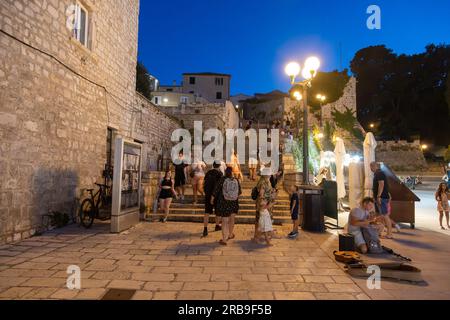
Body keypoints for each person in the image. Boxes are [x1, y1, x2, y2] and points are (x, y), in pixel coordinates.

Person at [211, 167, 242, 245]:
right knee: (232, 219)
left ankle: (224, 239)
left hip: (224, 202)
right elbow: (239, 192)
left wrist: (212, 199)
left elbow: (216, 190)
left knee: (224, 221)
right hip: (233, 203)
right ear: (232, 172)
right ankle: (230, 234)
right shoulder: (236, 180)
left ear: (225, 172)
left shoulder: (222, 179)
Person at [370, 162, 393, 239]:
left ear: (374, 166)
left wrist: (379, 196)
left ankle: (389, 234)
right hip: (381, 197)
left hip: (382, 198)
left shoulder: (379, 173)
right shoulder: (378, 173)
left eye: (371, 167)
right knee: (381, 216)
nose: (370, 169)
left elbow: (381, 184)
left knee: (385, 216)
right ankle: (379, 232)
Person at [252, 169, 276, 243]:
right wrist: (262, 201)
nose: (270, 174)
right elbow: (261, 193)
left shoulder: (267, 181)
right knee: (260, 220)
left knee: (263, 220)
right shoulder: (263, 182)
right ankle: (256, 236)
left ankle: (264, 235)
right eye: (269, 173)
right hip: (263, 204)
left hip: (267, 203)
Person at [202, 160, 223, 237]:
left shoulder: (208, 173)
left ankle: (205, 229)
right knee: (218, 212)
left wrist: (206, 193)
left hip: (208, 195)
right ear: (219, 166)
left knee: (207, 212)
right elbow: (219, 186)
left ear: (213, 165)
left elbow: (204, 183)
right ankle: (217, 225)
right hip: (216, 196)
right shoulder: (220, 174)